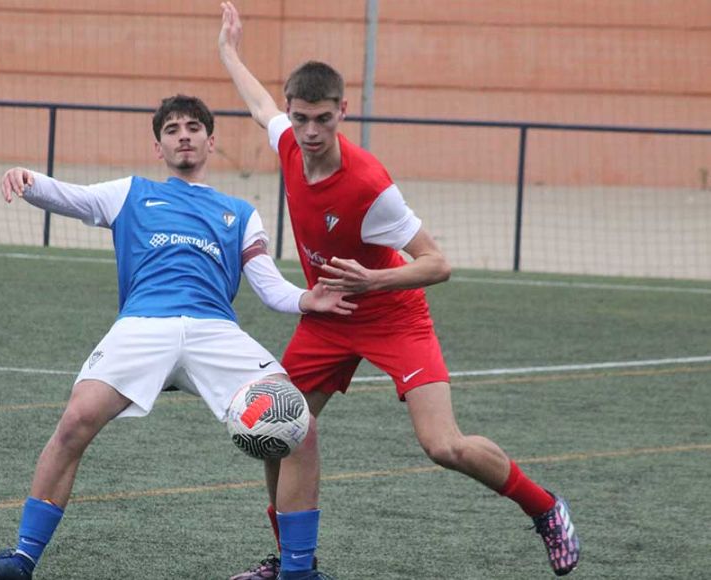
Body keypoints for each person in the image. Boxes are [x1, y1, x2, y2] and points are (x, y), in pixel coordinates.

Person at [218, 2, 581, 578]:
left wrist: (375, 279)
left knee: (443, 445)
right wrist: (229, 52)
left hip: (393, 312)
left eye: (323, 119)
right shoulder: (287, 141)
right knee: (278, 429)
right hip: (331, 314)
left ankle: (544, 509)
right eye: (301, 118)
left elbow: (438, 264)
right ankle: (291, 563)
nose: (311, 132)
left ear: (343, 111)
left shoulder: (369, 186)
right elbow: (259, 103)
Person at [0, 95, 351, 580]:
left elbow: (268, 285)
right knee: (75, 421)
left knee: (299, 426)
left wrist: (306, 299)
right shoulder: (130, 192)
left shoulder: (239, 211)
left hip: (215, 329)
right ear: (159, 146)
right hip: (143, 326)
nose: (184, 135)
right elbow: (74, 197)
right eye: (172, 129)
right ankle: (21, 560)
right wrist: (30, 180)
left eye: (194, 127)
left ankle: (298, 572)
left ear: (211, 141)